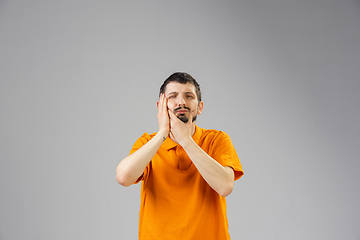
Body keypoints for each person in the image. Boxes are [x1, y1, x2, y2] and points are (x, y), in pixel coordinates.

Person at [116, 72, 244, 240]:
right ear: (160, 105)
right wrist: (162, 133)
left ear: (200, 107)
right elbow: (123, 177)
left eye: (189, 96)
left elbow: (225, 186)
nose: (181, 102)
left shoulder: (217, 140)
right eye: (173, 96)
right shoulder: (147, 142)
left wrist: (186, 141)